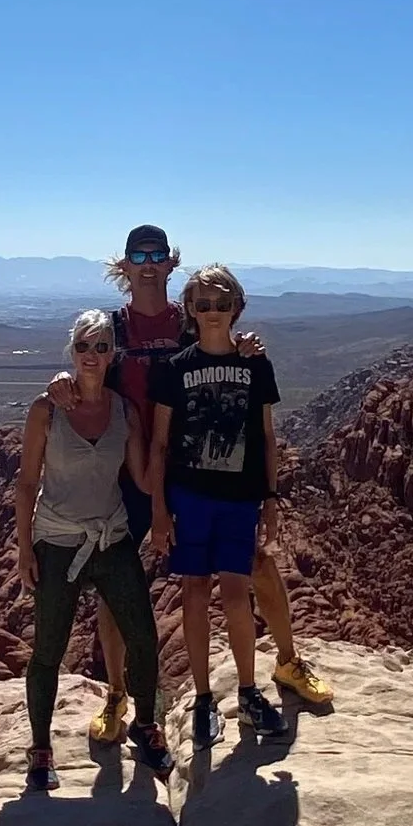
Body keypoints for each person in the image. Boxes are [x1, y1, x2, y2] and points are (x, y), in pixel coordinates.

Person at [72, 224, 334, 746]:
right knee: (118, 583)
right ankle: (117, 696)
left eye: (157, 255)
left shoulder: (190, 321)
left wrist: (249, 348)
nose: (148, 263)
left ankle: (286, 662)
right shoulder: (113, 328)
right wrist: (60, 384)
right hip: (130, 473)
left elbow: (224, 355)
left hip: (196, 473)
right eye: (137, 255)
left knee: (255, 563)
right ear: (123, 266)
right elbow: (85, 370)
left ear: (171, 264)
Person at [15, 312, 174, 795]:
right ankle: (40, 748)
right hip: (58, 541)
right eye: (85, 345)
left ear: (112, 355)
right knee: (48, 650)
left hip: (112, 537)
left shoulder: (123, 410)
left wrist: (175, 489)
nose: (93, 354)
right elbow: (26, 482)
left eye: (103, 346)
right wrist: (24, 547)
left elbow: (145, 478)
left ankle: (145, 723)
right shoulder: (47, 409)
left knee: (143, 637)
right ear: (72, 350)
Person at [149, 265, 289, 751]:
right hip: (190, 496)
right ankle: (205, 699)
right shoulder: (175, 369)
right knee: (193, 591)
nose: (212, 312)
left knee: (236, 593)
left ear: (237, 308)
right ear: (189, 309)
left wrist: (271, 498)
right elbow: (160, 443)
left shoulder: (257, 365)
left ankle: (248, 692)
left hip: (240, 497)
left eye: (221, 303)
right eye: (202, 304)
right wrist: (159, 508)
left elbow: (268, 436)